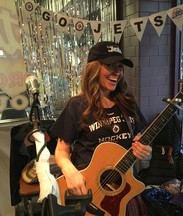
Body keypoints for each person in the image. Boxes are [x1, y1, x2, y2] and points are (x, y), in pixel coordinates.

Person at [50, 41, 152, 215]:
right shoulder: (77, 105)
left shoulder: (128, 103)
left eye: (120, 66)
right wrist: (70, 171)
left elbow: (140, 138)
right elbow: (61, 150)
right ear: (94, 68)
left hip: (124, 190)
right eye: (110, 65)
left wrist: (145, 151)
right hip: (89, 192)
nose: (117, 72)